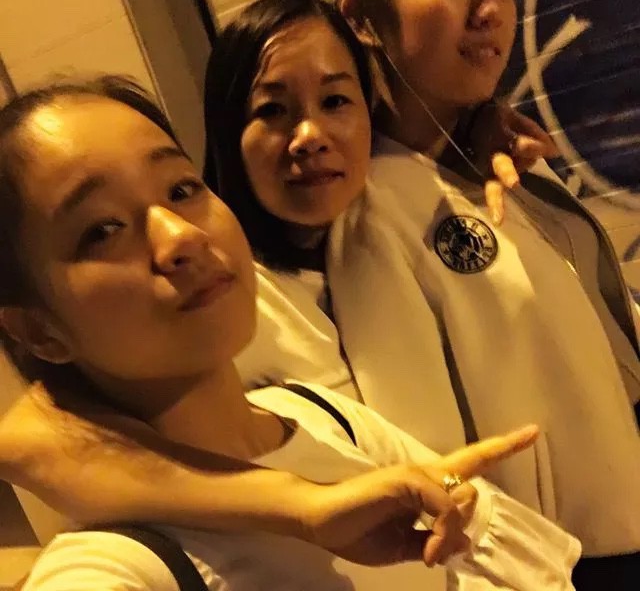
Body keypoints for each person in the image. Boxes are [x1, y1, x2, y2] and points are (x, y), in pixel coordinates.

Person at [0, 77, 578, 590]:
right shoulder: (118, 566)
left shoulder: (320, 416)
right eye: (103, 230)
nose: (180, 237)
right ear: (38, 330)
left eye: (180, 189)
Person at [323, 0, 640, 588]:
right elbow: (430, 468)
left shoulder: (503, 157)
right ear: (361, 18)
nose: (490, 9)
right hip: (574, 564)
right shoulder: (370, 212)